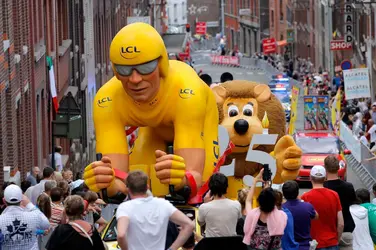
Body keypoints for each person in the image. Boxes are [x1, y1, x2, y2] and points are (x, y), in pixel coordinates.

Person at [83, 22, 219, 201]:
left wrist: (182, 181)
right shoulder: (107, 99)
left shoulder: (187, 91)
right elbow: (118, 183)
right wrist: (106, 182)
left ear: (161, 64)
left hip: (196, 122)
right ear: (115, 71)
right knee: (141, 181)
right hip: (153, 129)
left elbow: (193, 178)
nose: (135, 79)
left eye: (145, 68)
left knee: (199, 189)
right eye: (124, 70)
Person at [116, 171, 194, 250]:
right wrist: (172, 248)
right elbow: (189, 225)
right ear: (147, 187)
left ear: (128, 189)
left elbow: (121, 235)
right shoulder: (163, 204)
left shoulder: (125, 207)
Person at [301, 165, 344, 250]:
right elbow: (341, 223)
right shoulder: (334, 195)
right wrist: (337, 240)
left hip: (314, 243)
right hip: (332, 241)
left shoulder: (305, 197)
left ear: (310, 178)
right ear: (325, 178)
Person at [243, 169, 287, 249]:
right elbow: (268, 199)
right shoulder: (282, 216)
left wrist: (255, 181)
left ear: (259, 201)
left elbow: (248, 201)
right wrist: (267, 184)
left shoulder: (252, 216)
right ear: (274, 202)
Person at [0, 184, 50, 250]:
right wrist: (29, 204)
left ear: (4, 201)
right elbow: (46, 224)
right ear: (21, 200)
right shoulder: (33, 216)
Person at [323, 155, 356, 249]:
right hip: (346, 228)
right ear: (338, 167)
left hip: (327, 231)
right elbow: (352, 202)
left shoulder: (322, 188)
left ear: (325, 168)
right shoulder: (348, 186)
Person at [198, 173, 241, 237]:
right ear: (226, 187)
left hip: (211, 245)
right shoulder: (236, 205)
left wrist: (205, 203)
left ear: (210, 189)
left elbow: (200, 223)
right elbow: (237, 219)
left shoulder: (204, 207)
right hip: (231, 246)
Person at [282, 180, 318, 250]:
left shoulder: (281, 209)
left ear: (283, 194)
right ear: (298, 192)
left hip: (287, 246)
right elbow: (316, 216)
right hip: (305, 246)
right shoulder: (307, 206)